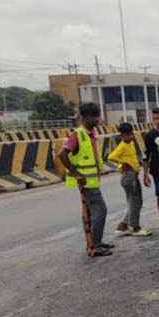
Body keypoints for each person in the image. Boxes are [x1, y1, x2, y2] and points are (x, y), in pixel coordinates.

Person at [58, 103, 113, 257]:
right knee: (100, 211)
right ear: (86, 117)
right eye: (95, 116)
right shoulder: (78, 134)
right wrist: (76, 174)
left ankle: (94, 242)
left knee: (90, 212)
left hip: (92, 181)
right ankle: (95, 245)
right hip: (86, 183)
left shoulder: (89, 133)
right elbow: (62, 154)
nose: (98, 119)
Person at [108, 122, 151, 237]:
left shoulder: (130, 143)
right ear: (122, 135)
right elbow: (111, 156)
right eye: (127, 135)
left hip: (133, 175)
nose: (130, 136)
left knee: (136, 201)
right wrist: (124, 163)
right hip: (128, 175)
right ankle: (135, 228)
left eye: (131, 134)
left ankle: (123, 225)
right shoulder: (122, 145)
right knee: (134, 201)